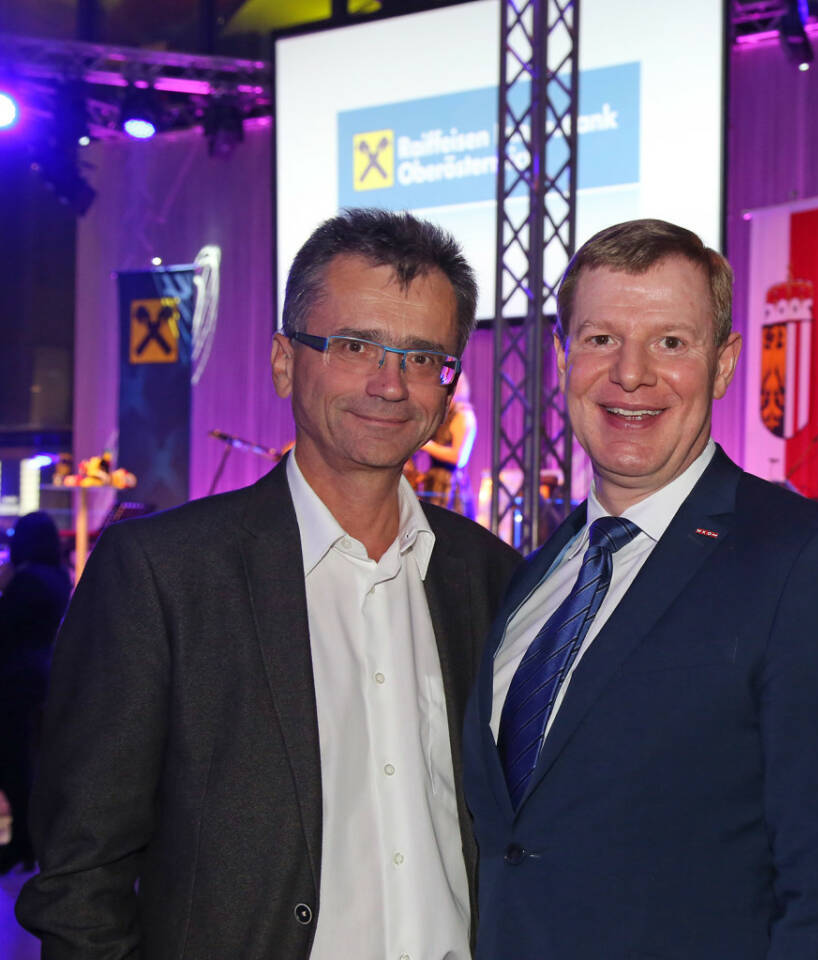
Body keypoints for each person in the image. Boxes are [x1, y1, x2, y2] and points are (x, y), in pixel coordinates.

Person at [18, 209, 520, 958]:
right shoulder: (162, 578)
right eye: (355, 346)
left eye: (422, 358)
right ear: (286, 360)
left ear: (447, 388)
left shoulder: (492, 578)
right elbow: (81, 881)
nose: (390, 384)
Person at [460, 218, 818, 959]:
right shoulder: (534, 579)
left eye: (671, 341)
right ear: (562, 357)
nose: (631, 373)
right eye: (601, 339)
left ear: (726, 363)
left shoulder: (811, 561)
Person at [0, 511, 71, 876]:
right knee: (26, 764)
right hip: (39, 677)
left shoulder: (27, 581)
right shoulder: (58, 576)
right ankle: (26, 844)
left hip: (13, 680)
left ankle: (22, 843)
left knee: (14, 764)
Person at [413, 371, 477, 514]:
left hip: (450, 490)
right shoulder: (444, 414)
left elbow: (459, 457)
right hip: (434, 484)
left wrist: (427, 445)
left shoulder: (463, 415)